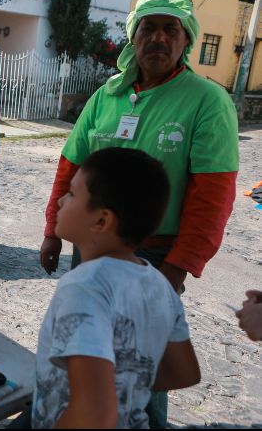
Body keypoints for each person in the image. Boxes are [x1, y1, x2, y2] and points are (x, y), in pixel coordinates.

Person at [38, 0, 238, 427]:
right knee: (90, 347)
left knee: (140, 366)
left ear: (186, 40)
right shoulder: (105, 97)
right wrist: (53, 230)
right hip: (90, 246)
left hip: (154, 256)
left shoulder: (207, 101)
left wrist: (174, 273)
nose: (159, 38)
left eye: (172, 29)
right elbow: (70, 168)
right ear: (134, 36)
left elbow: (214, 196)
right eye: (149, 27)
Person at [31, 147, 200, 429]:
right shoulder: (160, 284)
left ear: (101, 220)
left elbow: (94, 415)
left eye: (72, 194)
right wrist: (125, 385)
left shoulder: (83, 286)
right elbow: (184, 372)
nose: (60, 200)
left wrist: (99, 396)